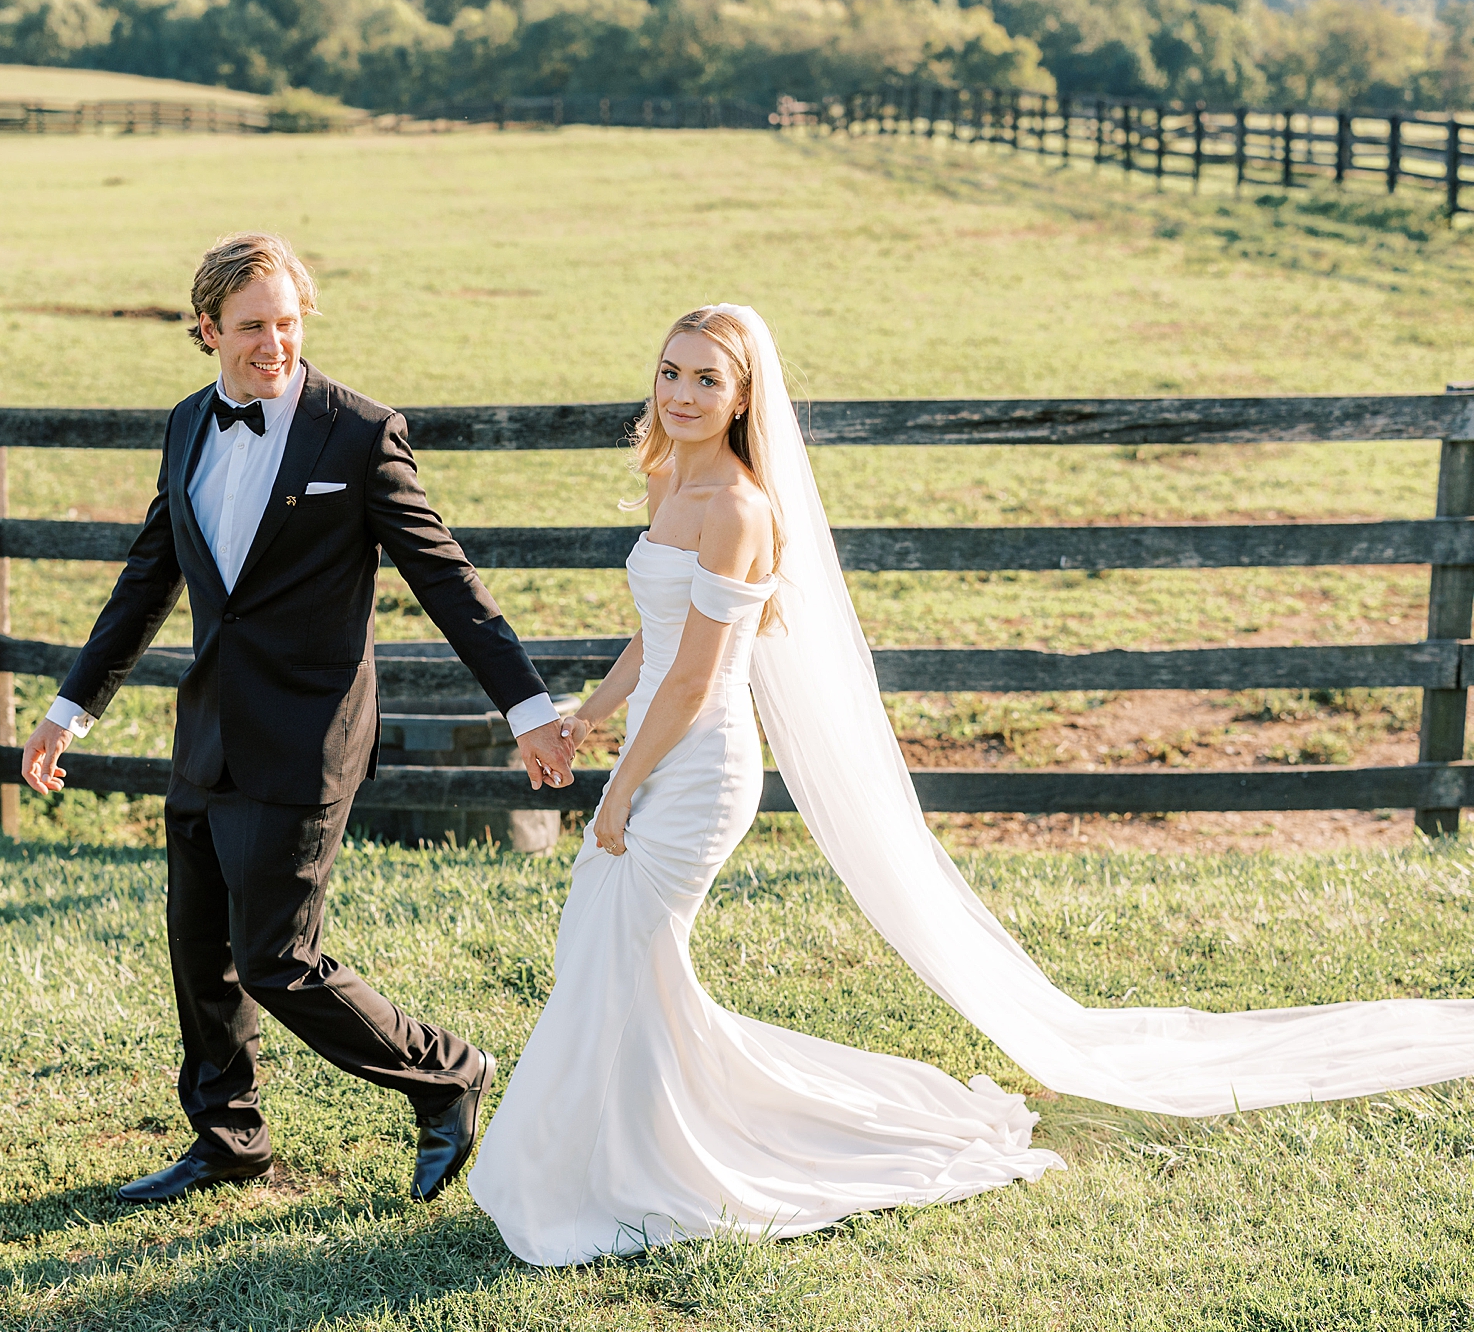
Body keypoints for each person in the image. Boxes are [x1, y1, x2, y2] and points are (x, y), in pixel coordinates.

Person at [468, 304, 1474, 1267]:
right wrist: (586, 720)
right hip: (651, 747)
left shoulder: (736, 506)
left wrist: (617, 789)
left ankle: (639, 1165)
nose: (682, 393)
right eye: (670, 372)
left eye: (707, 380)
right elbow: (654, 639)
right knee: (614, 958)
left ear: (741, 398)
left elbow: (696, 677)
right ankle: (620, 1153)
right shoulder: (665, 482)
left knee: (620, 947)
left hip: (697, 769)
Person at [18, 232, 576, 1207]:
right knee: (198, 946)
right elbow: (151, 572)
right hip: (207, 731)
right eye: (250, 326)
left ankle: (447, 1072)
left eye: (287, 322)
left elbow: (443, 578)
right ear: (206, 330)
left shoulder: (355, 434)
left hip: (308, 735)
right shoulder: (187, 425)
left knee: (276, 957)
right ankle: (228, 1136)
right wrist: (71, 705)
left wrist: (525, 706)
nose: (272, 343)